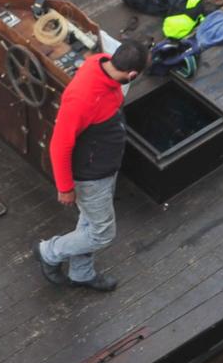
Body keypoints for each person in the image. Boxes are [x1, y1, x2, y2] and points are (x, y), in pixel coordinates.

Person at [36, 40, 148, 293]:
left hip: (104, 166)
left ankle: (81, 274)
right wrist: (65, 187)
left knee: (89, 222)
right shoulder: (83, 98)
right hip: (90, 175)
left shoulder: (103, 62)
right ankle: (48, 252)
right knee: (102, 233)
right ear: (131, 75)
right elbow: (59, 146)